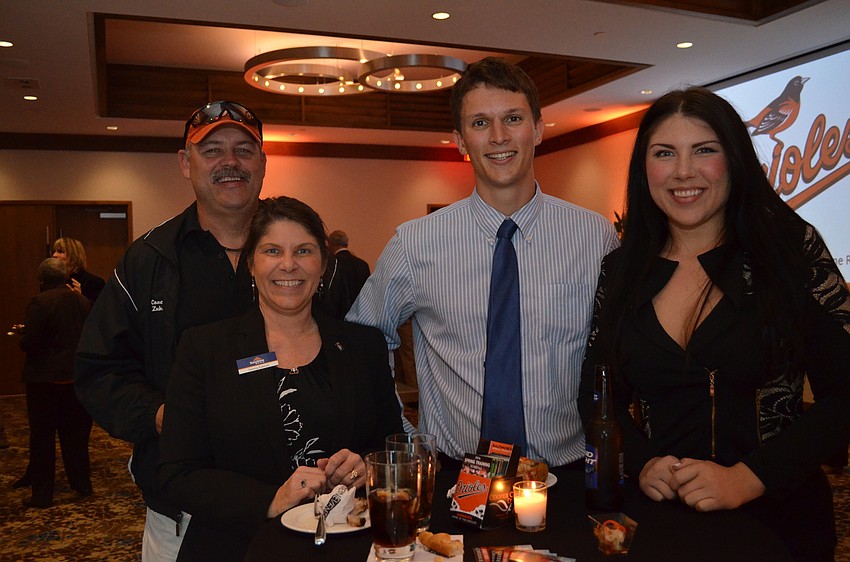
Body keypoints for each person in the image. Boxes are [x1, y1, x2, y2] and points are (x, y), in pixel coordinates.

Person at [578, 86, 850, 561]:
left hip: (780, 524)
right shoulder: (622, 270)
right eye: (665, 153)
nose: (684, 171)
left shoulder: (790, 251)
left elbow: (844, 395)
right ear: (644, 168)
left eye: (704, 150)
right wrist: (643, 464)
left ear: (735, 160)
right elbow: (598, 395)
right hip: (664, 526)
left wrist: (749, 477)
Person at [347, 57, 619, 467]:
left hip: (566, 473)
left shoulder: (594, 238)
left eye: (513, 118)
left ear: (538, 128)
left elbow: (619, 352)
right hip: (455, 473)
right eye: (480, 123)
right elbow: (361, 342)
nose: (498, 136)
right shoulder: (415, 244)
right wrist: (407, 435)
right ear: (460, 141)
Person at [157, 197, 403, 561]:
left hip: (346, 545)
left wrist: (367, 468)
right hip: (237, 548)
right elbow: (178, 474)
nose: (288, 264)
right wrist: (271, 499)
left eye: (304, 250)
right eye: (272, 250)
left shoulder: (363, 346)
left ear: (323, 265)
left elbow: (391, 446)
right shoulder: (204, 349)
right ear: (251, 264)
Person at [75, 101, 266, 561]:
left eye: (244, 150)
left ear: (263, 162)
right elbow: (100, 369)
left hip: (292, 506)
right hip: (181, 512)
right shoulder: (149, 259)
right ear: (185, 162)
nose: (230, 162)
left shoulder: (299, 253)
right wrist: (163, 415)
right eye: (212, 150)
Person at [18, 258, 92, 508]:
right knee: (75, 436)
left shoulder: (40, 302)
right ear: (65, 276)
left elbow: (31, 342)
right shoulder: (82, 302)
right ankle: (82, 485)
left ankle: (42, 494)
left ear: (41, 280)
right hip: (75, 378)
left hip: (45, 380)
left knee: (43, 438)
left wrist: (22, 336)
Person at [317, 229, 371, 319]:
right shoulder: (363, 265)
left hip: (338, 316)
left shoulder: (333, 264)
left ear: (331, 243)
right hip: (361, 315)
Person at [51, 237, 105, 303]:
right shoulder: (53, 281)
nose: (54, 255)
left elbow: (100, 308)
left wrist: (79, 298)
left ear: (73, 256)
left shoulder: (94, 283)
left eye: (60, 251)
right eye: (54, 251)